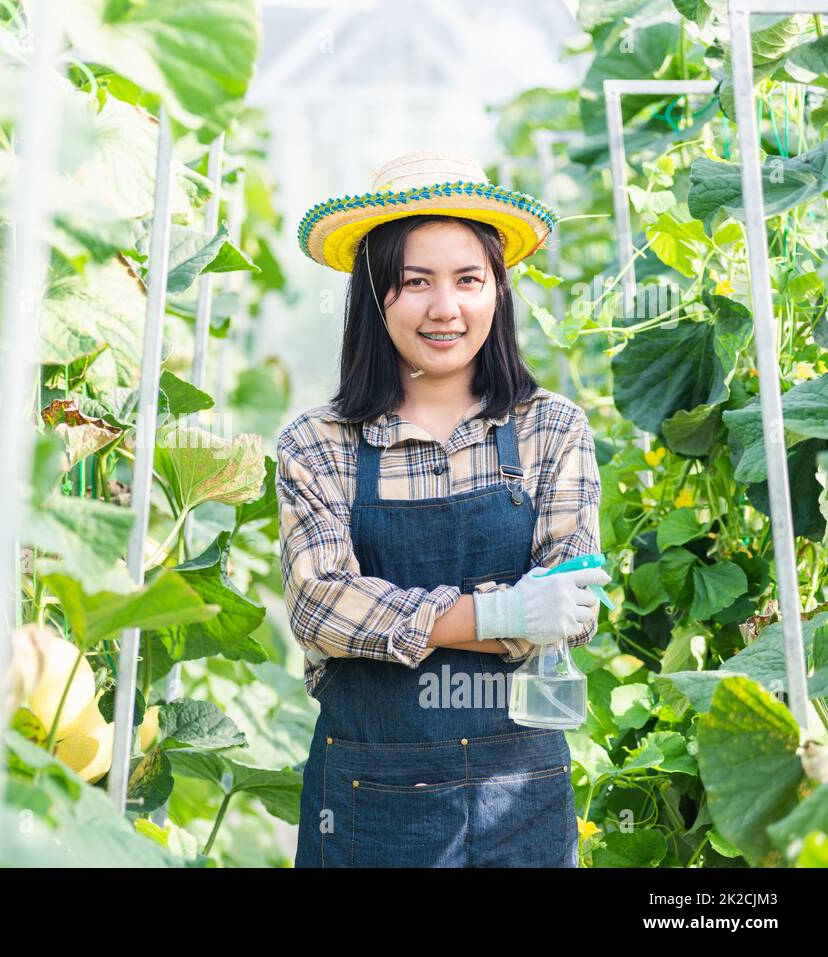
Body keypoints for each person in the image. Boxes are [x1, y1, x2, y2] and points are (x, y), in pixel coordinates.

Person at [281, 151, 611, 868]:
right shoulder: (319, 443)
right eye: (415, 282)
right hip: (368, 800)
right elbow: (319, 607)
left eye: (469, 279)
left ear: (498, 289)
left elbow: (570, 611)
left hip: (519, 792)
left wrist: (396, 618)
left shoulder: (552, 429)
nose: (445, 307)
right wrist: (503, 614)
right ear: (377, 298)